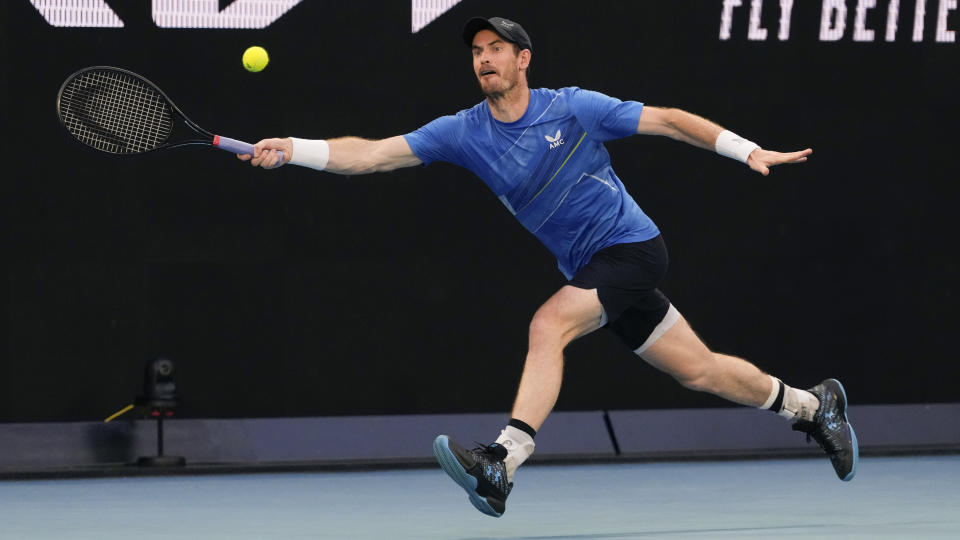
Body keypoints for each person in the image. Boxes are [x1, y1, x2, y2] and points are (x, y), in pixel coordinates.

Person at [241, 16, 858, 518]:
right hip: (593, 265)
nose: (484, 58)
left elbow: (668, 121)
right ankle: (811, 407)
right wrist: (295, 150)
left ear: (523, 60)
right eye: (477, 51)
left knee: (548, 324)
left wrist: (745, 149)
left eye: (497, 49)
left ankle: (502, 462)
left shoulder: (574, 109)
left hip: (632, 250)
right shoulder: (463, 132)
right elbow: (373, 155)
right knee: (699, 371)